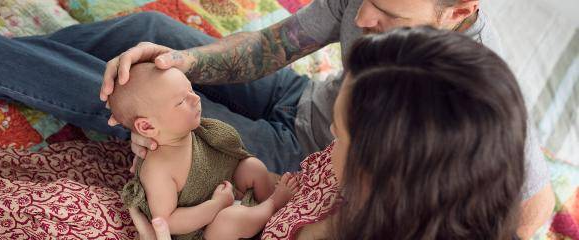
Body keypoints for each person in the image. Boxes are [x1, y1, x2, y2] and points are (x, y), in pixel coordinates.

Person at [0, 0, 554, 237]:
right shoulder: (370, 13)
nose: (365, 16)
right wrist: (181, 63)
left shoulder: (479, 94)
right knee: (149, 43)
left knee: (132, 97)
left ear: (456, 13)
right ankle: (11, 60)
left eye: (392, 13)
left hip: (293, 154)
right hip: (303, 100)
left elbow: (534, 200)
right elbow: (275, 46)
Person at [137, 27, 530, 239]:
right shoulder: (351, 178)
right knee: (148, 35)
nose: (365, 17)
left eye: (340, 134)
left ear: (383, 173)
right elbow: (300, 190)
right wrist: (182, 153)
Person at [108, 63, 298, 239]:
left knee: (252, 167)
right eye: (182, 101)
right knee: (228, 220)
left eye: (190, 89)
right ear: (147, 127)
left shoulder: (192, 132)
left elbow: (224, 157)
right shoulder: (158, 170)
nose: (196, 98)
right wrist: (215, 206)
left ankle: (267, 209)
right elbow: (169, 222)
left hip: (226, 193)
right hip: (203, 231)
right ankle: (273, 205)